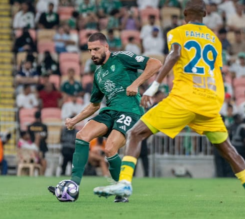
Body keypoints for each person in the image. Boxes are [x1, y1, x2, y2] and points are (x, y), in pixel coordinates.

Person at [93, 0, 245, 215]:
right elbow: (214, 71)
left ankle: (125, 183)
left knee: (136, 133)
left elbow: (175, 54)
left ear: (185, 13)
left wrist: (154, 86)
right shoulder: (215, 40)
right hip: (210, 101)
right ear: (205, 14)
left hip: (185, 99)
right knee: (229, 151)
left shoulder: (177, 32)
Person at [49, 32, 162, 203]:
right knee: (82, 135)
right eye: (90, 50)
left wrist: (136, 84)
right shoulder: (98, 74)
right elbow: (94, 105)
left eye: (96, 49)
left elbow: (156, 63)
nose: (93, 53)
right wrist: (74, 120)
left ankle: (122, 191)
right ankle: (74, 185)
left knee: (110, 148)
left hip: (130, 110)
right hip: (109, 111)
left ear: (106, 47)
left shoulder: (122, 57)